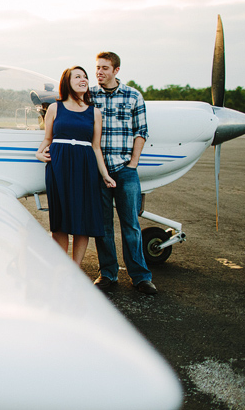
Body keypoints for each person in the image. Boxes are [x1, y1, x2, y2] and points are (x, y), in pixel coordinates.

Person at [91, 52, 157, 295]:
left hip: (125, 170)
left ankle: (140, 276)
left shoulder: (133, 96)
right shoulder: (89, 96)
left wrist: (133, 164)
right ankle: (108, 273)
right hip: (99, 171)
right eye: (97, 67)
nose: (99, 72)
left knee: (131, 224)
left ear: (116, 70)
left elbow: (141, 131)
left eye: (105, 68)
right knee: (104, 225)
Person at [36, 66, 116, 265]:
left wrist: (105, 174)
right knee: (60, 220)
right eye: (78, 76)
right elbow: (48, 138)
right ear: (67, 82)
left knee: (83, 219)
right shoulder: (55, 108)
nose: (83, 79)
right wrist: (39, 153)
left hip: (85, 167)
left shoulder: (94, 112)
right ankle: (60, 266)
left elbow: (96, 147)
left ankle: (75, 268)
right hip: (59, 165)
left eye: (85, 77)